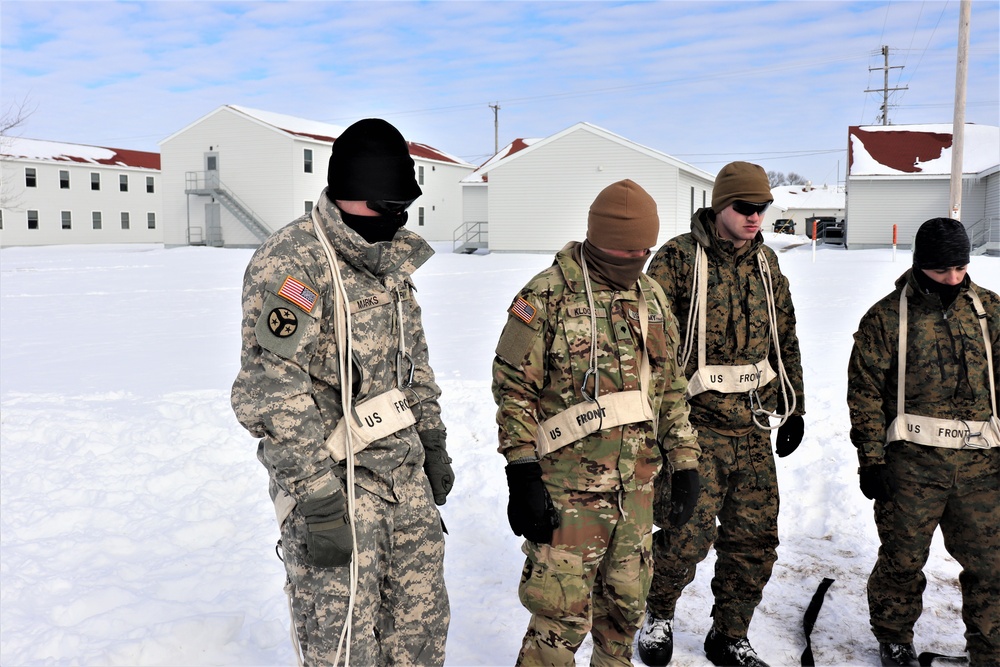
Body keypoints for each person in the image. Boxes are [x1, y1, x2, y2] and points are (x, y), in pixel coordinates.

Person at [231, 118, 454, 666]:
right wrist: (319, 500)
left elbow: (413, 361)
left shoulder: (391, 262)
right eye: (383, 207)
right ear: (348, 193)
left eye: (401, 208)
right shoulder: (294, 262)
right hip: (338, 486)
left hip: (404, 478)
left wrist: (433, 439)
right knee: (344, 649)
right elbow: (271, 391)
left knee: (420, 638)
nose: (394, 220)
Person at [492, 179, 701, 666]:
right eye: (625, 249)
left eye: (644, 249)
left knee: (625, 611)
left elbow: (669, 386)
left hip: (637, 489)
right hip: (568, 494)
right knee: (559, 618)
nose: (636, 258)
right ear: (595, 237)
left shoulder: (651, 296)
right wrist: (521, 471)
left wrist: (685, 460)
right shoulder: (544, 296)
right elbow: (513, 390)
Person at [637, 161, 806, 667]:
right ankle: (659, 614)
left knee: (754, 538)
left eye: (763, 208)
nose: (756, 217)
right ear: (719, 207)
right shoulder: (676, 261)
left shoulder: (767, 265)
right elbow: (648, 344)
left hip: (752, 425)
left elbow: (786, 340)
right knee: (683, 533)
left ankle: (729, 633)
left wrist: (795, 407)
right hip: (695, 425)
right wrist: (656, 427)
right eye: (745, 208)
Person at [847, 217, 999, 667]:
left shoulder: (990, 312)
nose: (953, 279)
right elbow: (865, 392)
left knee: (991, 567)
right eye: (941, 270)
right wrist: (871, 460)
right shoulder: (886, 318)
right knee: (902, 558)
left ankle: (990, 648)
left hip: (982, 469)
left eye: (960, 268)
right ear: (919, 265)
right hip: (911, 467)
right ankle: (894, 637)